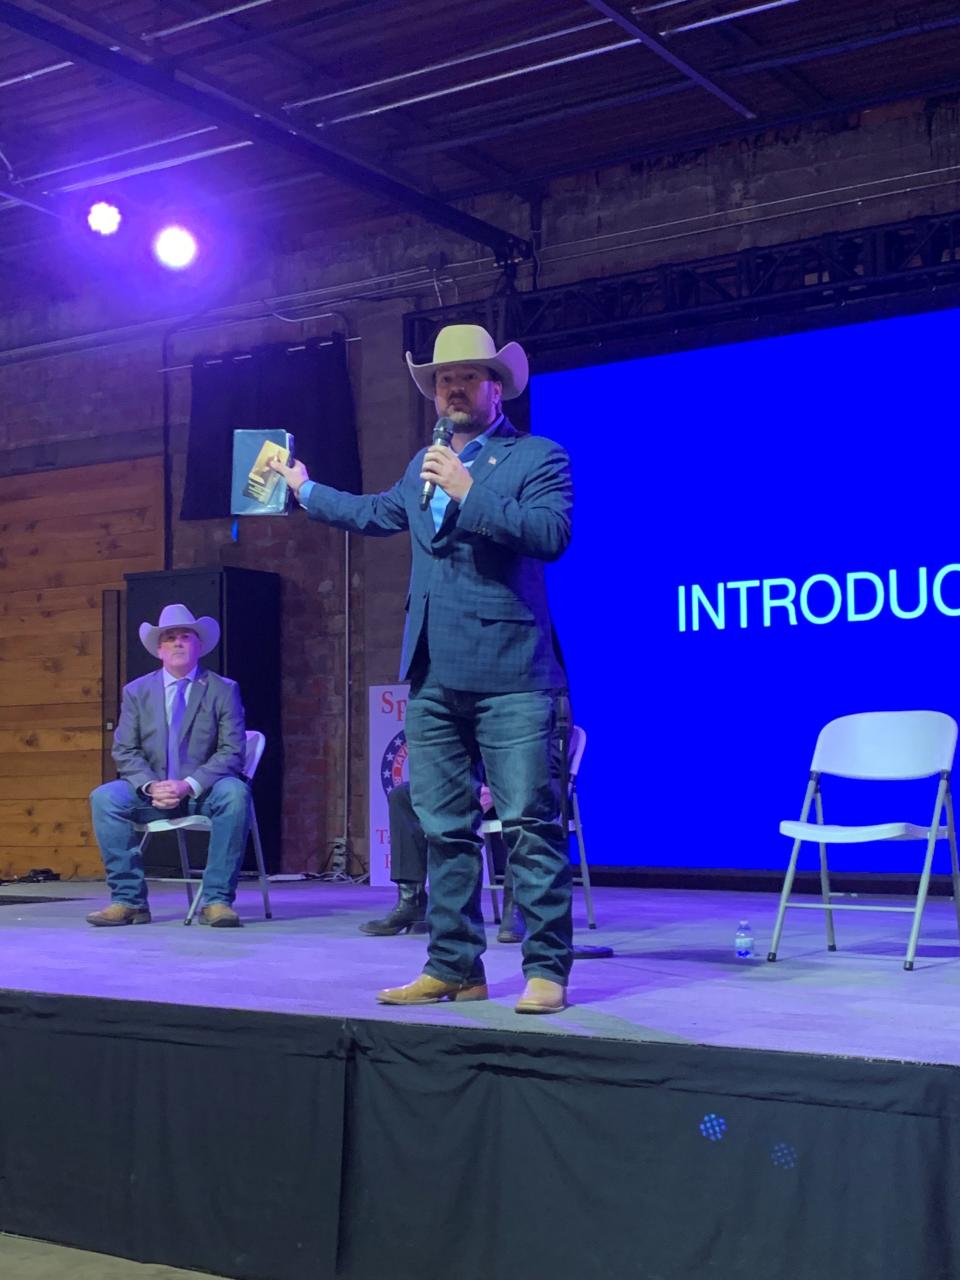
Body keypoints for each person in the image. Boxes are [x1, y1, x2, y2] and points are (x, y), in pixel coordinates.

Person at [271, 322, 572, 1013]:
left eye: (468, 376)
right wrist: (306, 488)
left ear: (497, 386)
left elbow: (550, 535)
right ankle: (455, 967)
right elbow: (378, 513)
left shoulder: (538, 456)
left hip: (513, 675)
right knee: (443, 829)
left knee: (529, 824)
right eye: (443, 379)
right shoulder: (422, 464)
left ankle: (547, 969)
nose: (453, 388)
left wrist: (471, 490)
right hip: (433, 675)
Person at [86, 603, 251, 928]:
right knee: (105, 797)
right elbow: (125, 750)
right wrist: (150, 785)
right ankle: (129, 901)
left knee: (235, 792)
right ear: (159, 649)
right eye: (170, 638)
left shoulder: (222, 689)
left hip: (201, 792)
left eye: (185, 637)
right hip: (151, 792)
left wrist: (187, 784)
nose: (177, 643)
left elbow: (232, 751)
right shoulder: (137, 691)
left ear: (198, 645)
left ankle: (216, 901)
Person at [359, 778, 525, 943]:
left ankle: (515, 908)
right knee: (402, 795)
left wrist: (491, 792)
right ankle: (411, 901)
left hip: (508, 786)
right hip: (469, 784)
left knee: (523, 797)